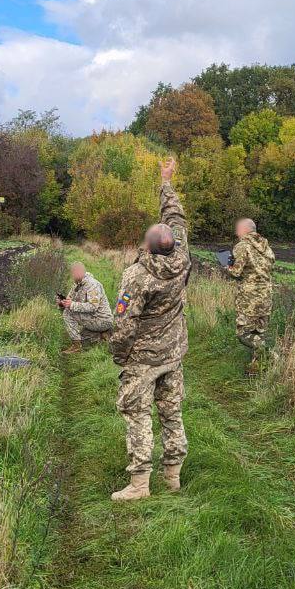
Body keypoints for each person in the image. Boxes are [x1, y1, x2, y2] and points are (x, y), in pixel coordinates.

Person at [109, 157, 190, 502]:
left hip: (143, 358)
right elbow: (175, 217)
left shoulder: (137, 277)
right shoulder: (182, 256)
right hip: (173, 352)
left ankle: (140, 484)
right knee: (172, 411)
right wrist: (166, 181)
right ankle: (172, 475)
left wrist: (118, 354)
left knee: (137, 413)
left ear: (146, 245)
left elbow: (124, 325)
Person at [226, 218, 275, 373]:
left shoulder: (242, 246)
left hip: (249, 298)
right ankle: (257, 369)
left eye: (238, 229)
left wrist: (226, 265)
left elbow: (235, 272)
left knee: (244, 334)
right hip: (265, 295)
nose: (236, 232)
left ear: (245, 230)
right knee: (258, 332)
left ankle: (272, 354)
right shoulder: (267, 247)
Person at [58, 262, 114, 353]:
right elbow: (69, 300)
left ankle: (76, 347)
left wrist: (71, 305)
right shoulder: (77, 284)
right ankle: (103, 335)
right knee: (84, 339)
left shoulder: (92, 285)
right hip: (93, 318)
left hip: (102, 319)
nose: (72, 275)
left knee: (68, 314)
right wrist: (62, 303)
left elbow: (93, 306)